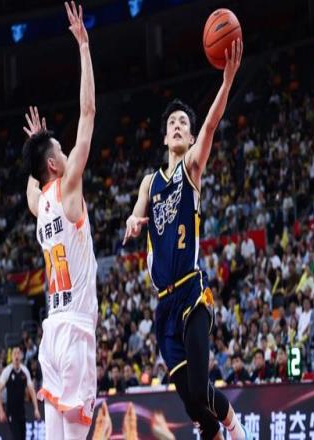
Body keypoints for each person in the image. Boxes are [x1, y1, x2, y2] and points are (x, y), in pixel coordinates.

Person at [123, 37, 250, 439]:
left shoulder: (192, 169)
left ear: (191, 138)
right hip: (164, 304)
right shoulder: (150, 182)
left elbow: (211, 124)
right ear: (164, 138)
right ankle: (213, 431)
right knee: (193, 404)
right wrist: (133, 220)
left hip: (193, 292)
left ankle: (237, 429)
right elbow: (137, 210)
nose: (178, 126)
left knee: (199, 387)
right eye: (172, 124)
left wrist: (226, 83)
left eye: (183, 123)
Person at [21, 2, 98, 438]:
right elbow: (88, 114)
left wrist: (38, 142)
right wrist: (84, 46)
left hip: (51, 332)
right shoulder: (68, 189)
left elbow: (31, 186)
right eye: (61, 152)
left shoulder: (39, 204)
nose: (68, 154)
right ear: (54, 165)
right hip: (75, 332)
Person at [0, 346, 40, 440]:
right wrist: (1, 411)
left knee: (22, 438)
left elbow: (32, 391)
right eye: (14, 353)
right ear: (11, 356)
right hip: (11, 412)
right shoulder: (7, 371)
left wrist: (36, 408)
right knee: (17, 437)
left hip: (22, 411)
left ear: (21, 356)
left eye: (18, 353)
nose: (16, 356)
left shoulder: (25, 371)